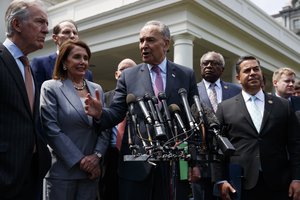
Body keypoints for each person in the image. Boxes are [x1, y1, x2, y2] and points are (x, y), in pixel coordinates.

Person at [84, 20, 199, 200]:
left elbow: (191, 119)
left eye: (150, 40)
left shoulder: (186, 75)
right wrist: (100, 113)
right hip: (136, 164)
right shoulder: (129, 76)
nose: (144, 45)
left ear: (166, 43)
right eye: (141, 40)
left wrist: (194, 161)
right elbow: (116, 113)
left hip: (173, 165)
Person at [214, 55, 300, 200]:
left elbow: (295, 144)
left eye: (256, 69)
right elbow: (217, 147)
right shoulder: (225, 108)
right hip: (241, 183)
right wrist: (220, 180)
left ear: (261, 73)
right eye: (247, 70)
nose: (253, 73)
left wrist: (297, 178)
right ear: (238, 78)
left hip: (279, 183)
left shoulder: (283, 106)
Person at [40, 40, 107, 200]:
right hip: (63, 172)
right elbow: (51, 129)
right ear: (64, 61)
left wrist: (97, 157)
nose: (82, 61)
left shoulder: (97, 89)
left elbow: (105, 125)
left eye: (85, 57)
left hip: (91, 173)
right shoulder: (51, 87)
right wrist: (81, 161)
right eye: (77, 57)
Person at [0, 0, 51, 199]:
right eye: (40, 22)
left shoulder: (29, 67)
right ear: (17, 24)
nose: (46, 30)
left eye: (46, 24)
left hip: (32, 174)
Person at [192, 51, 241, 200]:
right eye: (205, 63)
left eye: (214, 63)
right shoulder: (191, 91)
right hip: (202, 163)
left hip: (230, 159)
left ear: (223, 69)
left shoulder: (235, 91)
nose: (209, 66)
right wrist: (189, 166)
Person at [99, 58, 137, 200]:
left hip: (134, 155)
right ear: (116, 74)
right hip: (110, 156)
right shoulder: (105, 97)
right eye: (123, 69)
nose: (126, 73)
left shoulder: (141, 98)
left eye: (130, 70)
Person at [31, 19, 93, 91]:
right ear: (55, 38)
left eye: (75, 33)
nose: (72, 36)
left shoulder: (87, 73)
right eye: (66, 32)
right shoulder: (40, 63)